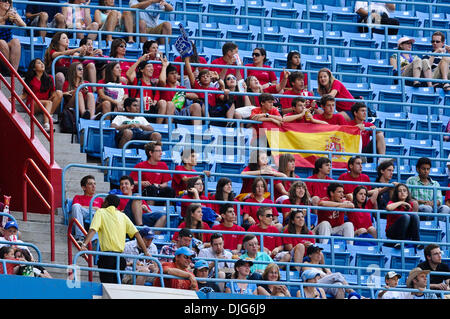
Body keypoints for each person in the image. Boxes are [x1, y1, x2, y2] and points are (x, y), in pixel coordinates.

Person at [80, 194, 150, 284]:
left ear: (107, 203)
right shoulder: (123, 216)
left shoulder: (101, 212)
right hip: (120, 258)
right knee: (116, 287)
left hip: (106, 257)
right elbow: (137, 234)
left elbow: (93, 229)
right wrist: (146, 252)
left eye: (104, 201)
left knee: (106, 287)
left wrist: (84, 245)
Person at [21, 58, 63, 132]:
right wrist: (14, 98)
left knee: (59, 93)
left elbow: (53, 93)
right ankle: (47, 125)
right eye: (39, 63)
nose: (42, 64)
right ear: (34, 68)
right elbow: (24, 95)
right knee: (48, 102)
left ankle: (49, 115)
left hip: (45, 103)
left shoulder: (49, 78)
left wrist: (54, 96)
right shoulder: (30, 79)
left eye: (42, 63)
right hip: (33, 104)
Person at [158, 59, 203, 125]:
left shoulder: (181, 88)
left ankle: (197, 131)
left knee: (196, 106)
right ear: (167, 77)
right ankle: (168, 128)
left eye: (176, 73)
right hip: (169, 111)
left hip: (181, 110)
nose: (175, 75)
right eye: (172, 73)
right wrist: (164, 66)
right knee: (171, 104)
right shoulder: (164, 86)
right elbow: (162, 80)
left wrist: (184, 94)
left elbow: (196, 96)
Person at [126, 54, 168, 120]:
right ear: (142, 70)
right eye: (149, 67)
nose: (152, 69)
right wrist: (139, 60)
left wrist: (164, 66)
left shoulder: (154, 85)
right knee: (139, 100)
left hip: (151, 110)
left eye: (152, 67)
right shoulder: (136, 81)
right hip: (137, 109)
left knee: (162, 102)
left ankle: (159, 126)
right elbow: (128, 74)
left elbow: (162, 82)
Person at [70, 175, 104, 244]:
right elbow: (76, 209)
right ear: (84, 187)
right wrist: (94, 208)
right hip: (84, 213)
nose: (93, 186)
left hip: (96, 215)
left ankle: (97, 239)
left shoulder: (99, 199)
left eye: (94, 184)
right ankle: (80, 237)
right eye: (90, 184)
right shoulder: (78, 197)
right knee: (76, 206)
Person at [385, 183, 421, 248]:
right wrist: (401, 202)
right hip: (393, 232)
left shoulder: (411, 204)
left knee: (414, 215)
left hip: (406, 232)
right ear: (396, 193)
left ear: (407, 193)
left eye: (404, 191)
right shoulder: (392, 202)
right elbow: (388, 208)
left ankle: (417, 242)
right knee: (406, 216)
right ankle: (399, 242)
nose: (402, 192)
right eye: (399, 191)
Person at [0, 0, 25, 72]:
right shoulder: (5, 16)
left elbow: (24, 25)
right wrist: (5, 17)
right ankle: (10, 70)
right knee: (2, 42)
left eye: (9, 1)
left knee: (16, 41)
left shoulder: (11, 12)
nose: (7, 3)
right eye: (5, 0)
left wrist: (16, 18)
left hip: (7, 39)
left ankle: (14, 72)